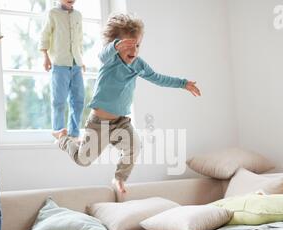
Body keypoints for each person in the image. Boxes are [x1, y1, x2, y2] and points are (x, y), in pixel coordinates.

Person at [53, 13, 201, 194]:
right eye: (127, 45)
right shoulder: (110, 59)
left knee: (135, 147)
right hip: (99, 123)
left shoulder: (139, 65)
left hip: (121, 122)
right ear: (116, 45)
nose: (134, 50)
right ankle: (63, 139)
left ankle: (119, 178)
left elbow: (158, 78)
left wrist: (183, 83)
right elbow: (102, 54)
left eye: (137, 45)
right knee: (83, 160)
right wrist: (115, 46)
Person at [40, 0, 85, 138]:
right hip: (59, 63)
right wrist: (45, 56)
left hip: (76, 63)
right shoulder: (52, 13)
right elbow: (45, 35)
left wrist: (81, 60)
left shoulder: (78, 15)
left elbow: (79, 38)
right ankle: (58, 130)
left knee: (79, 100)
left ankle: (74, 132)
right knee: (59, 100)